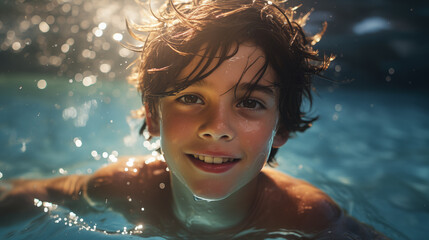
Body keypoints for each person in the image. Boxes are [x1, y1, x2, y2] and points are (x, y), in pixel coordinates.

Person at [0, 0, 388, 239]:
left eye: (250, 102)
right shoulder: (125, 188)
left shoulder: (305, 217)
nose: (216, 126)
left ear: (281, 128)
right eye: (190, 98)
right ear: (154, 117)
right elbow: (37, 194)